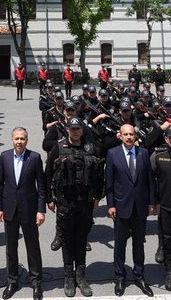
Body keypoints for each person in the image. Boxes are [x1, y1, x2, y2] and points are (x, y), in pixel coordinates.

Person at [47, 117, 103, 298]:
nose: (75, 131)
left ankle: (81, 276)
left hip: (85, 201)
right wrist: (49, 198)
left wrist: (97, 197)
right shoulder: (59, 147)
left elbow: (100, 174)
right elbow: (48, 172)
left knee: (81, 239)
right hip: (65, 201)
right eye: (72, 129)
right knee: (67, 239)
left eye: (78, 128)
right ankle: (68, 277)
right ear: (68, 130)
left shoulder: (91, 148)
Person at [0, 127, 47, 300]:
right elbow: (0, 185)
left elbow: (41, 187)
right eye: (16, 138)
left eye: (22, 138)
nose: (19, 141)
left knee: (33, 247)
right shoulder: (5, 157)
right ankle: (12, 280)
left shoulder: (35, 158)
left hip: (29, 210)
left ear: (27, 140)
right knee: (11, 248)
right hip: (10, 209)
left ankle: (36, 281)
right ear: (11, 140)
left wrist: (41, 210)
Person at [105, 124, 156, 297]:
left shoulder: (143, 153)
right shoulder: (112, 154)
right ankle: (120, 276)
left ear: (135, 136)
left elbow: (150, 180)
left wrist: (151, 203)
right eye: (125, 134)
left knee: (138, 244)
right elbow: (109, 183)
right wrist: (110, 205)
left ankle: (139, 275)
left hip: (140, 207)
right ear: (120, 136)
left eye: (131, 134)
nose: (128, 137)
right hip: (121, 207)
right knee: (120, 244)